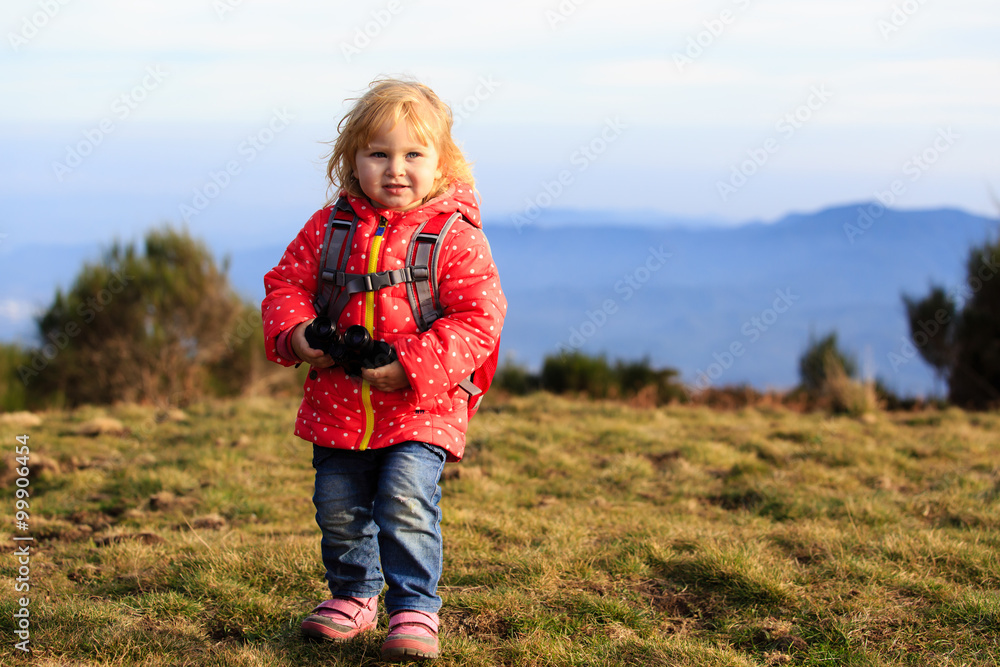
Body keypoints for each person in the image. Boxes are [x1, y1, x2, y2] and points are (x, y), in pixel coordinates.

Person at [261, 78, 506, 662]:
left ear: (442, 162)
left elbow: (479, 318)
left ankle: (415, 605)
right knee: (338, 503)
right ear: (353, 159)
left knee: (404, 497)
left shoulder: (454, 238)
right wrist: (299, 335)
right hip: (339, 405)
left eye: (414, 155)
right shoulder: (329, 229)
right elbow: (285, 284)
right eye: (379, 153)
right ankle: (352, 595)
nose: (396, 168)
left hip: (423, 405)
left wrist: (410, 366)